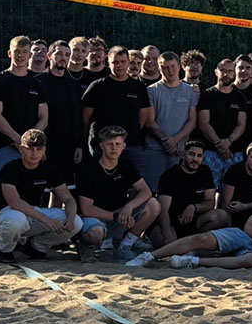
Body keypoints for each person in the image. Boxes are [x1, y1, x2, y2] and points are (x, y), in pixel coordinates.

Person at [125, 180, 252, 269]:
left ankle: (192, 262)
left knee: (248, 262)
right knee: (202, 238)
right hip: (243, 236)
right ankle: (147, 256)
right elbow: (250, 228)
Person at [0, 35, 49, 256]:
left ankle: (24, 241)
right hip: (5, 145)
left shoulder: (36, 83)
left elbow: (44, 117)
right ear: (10, 53)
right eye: (17, 52)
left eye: (25, 52)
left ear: (30, 54)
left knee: (31, 193)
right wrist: (17, 139)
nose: (21, 56)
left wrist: (32, 140)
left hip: (30, 148)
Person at [0, 129, 82, 264]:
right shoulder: (10, 169)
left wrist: (69, 219)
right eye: (30, 149)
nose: (34, 153)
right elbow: (14, 202)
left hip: (35, 213)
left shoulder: (49, 169)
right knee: (15, 220)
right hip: (10, 213)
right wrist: (46, 220)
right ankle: (5, 250)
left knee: (77, 222)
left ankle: (36, 246)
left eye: (39, 149)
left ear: (44, 150)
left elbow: (68, 199)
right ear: (21, 149)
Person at [76, 126, 161, 261]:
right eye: (110, 144)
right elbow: (86, 209)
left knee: (153, 204)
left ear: (124, 146)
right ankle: (86, 246)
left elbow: (146, 191)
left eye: (117, 144)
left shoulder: (126, 165)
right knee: (95, 233)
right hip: (96, 218)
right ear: (101, 146)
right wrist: (116, 216)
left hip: (119, 216)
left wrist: (129, 207)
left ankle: (125, 245)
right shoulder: (89, 169)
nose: (114, 148)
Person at [82, 46, 152, 182]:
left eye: (123, 61)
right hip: (101, 147)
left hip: (131, 145)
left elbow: (143, 117)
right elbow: (85, 118)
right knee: (100, 183)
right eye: (115, 62)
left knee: (137, 186)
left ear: (128, 62)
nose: (119, 65)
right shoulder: (97, 86)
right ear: (108, 62)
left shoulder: (138, 87)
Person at [143, 52, 199, 192]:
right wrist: (166, 141)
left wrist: (175, 141)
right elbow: (150, 121)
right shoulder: (151, 91)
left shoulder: (191, 91)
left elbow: (192, 121)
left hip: (180, 150)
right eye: (165, 67)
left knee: (178, 191)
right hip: (155, 149)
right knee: (153, 190)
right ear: (159, 68)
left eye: (173, 66)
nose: (170, 70)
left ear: (179, 66)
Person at [154, 140, 224, 245]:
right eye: (191, 154)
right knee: (165, 243)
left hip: (192, 220)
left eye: (199, 156)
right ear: (183, 154)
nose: (195, 159)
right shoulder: (170, 175)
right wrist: (168, 235)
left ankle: (196, 244)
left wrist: (193, 207)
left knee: (221, 215)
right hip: (170, 221)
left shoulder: (205, 171)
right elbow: (163, 210)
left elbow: (210, 203)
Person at [35, 40, 84, 189]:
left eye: (67, 54)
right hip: (45, 144)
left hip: (68, 146)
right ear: (49, 56)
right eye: (59, 53)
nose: (64, 57)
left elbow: (77, 117)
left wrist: (79, 145)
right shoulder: (38, 82)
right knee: (42, 189)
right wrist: (38, 145)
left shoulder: (73, 84)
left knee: (63, 188)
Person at [196, 57, 250, 185]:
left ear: (234, 73)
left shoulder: (239, 97)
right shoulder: (207, 95)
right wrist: (219, 144)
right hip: (211, 151)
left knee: (232, 191)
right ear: (216, 72)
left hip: (234, 152)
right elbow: (204, 124)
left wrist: (229, 141)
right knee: (209, 189)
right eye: (223, 70)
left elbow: (241, 124)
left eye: (230, 71)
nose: (226, 74)